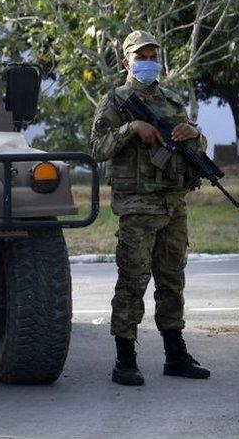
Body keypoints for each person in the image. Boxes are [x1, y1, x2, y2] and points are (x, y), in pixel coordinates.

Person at [89, 30, 211, 386]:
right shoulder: (116, 101)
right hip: (138, 207)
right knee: (132, 281)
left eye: (152, 56)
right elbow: (97, 148)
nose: (148, 62)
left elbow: (193, 150)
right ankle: (124, 359)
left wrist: (194, 134)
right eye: (140, 57)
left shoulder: (172, 102)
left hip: (173, 203)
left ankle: (176, 354)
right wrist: (131, 128)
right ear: (127, 62)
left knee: (172, 280)